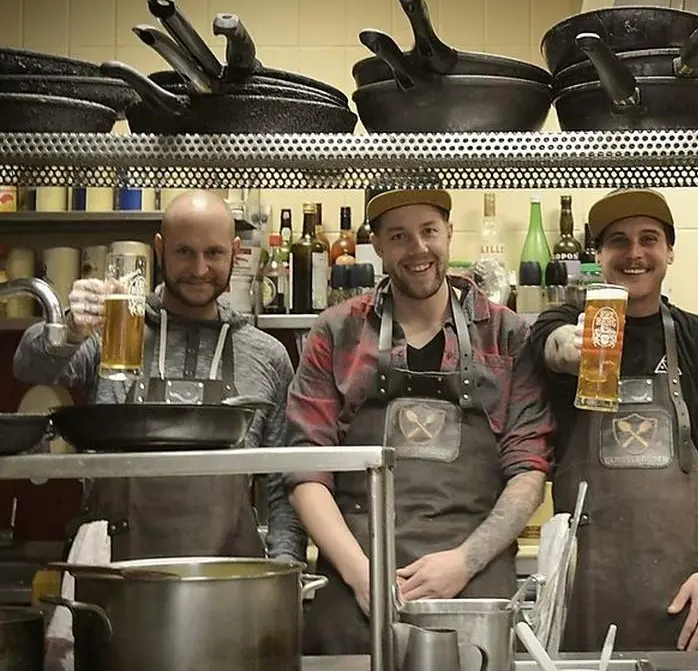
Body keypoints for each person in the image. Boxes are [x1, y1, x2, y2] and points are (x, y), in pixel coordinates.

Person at [284, 189, 554, 655]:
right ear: (379, 246)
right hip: (357, 583)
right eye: (399, 236)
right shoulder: (336, 330)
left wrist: (464, 562)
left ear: (449, 233)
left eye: (429, 232)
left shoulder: (506, 333)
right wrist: (362, 575)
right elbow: (306, 468)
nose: (418, 249)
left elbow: (529, 469)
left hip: (473, 581)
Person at [13, 190, 304, 562]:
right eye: (184, 252)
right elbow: (28, 365)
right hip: (113, 571)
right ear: (160, 248)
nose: (199, 269)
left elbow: (282, 481)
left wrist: (285, 565)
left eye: (213, 253)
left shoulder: (267, 356)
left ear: (234, 250)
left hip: (226, 579)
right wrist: (69, 329)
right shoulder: (111, 331)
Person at [532, 188, 698, 652]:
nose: (634, 253)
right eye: (618, 240)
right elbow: (553, 345)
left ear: (670, 251)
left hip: (686, 597)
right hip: (585, 595)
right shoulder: (569, 321)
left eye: (649, 239)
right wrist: (572, 348)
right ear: (597, 255)